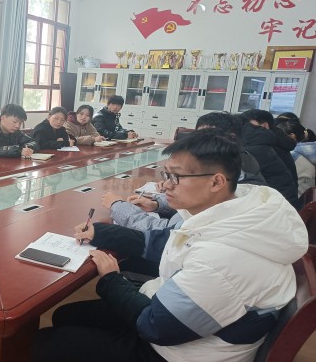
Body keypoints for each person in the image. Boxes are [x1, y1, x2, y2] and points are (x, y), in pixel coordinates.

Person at [32, 129, 308, 362]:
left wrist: (111, 280)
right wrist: (102, 232)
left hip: (181, 352)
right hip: (186, 321)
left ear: (216, 181)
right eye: (166, 175)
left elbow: (155, 327)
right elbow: (164, 242)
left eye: (175, 177)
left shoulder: (223, 260)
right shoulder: (235, 213)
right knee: (66, 313)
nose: (164, 187)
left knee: (46, 344)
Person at [101, 112, 265, 276]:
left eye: (207, 136)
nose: (197, 142)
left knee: (126, 265)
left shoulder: (229, 193)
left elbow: (167, 235)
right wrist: (158, 204)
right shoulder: (238, 176)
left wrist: (118, 207)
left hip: (176, 268)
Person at [239, 112, 299, 208]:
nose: (245, 128)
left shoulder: (267, 145)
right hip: (283, 199)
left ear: (264, 125)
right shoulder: (278, 140)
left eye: (248, 124)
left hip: (279, 204)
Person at [277, 119, 315, 197]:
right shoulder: (310, 152)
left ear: (292, 136)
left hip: (295, 200)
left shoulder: (293, 155)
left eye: (279, 136)